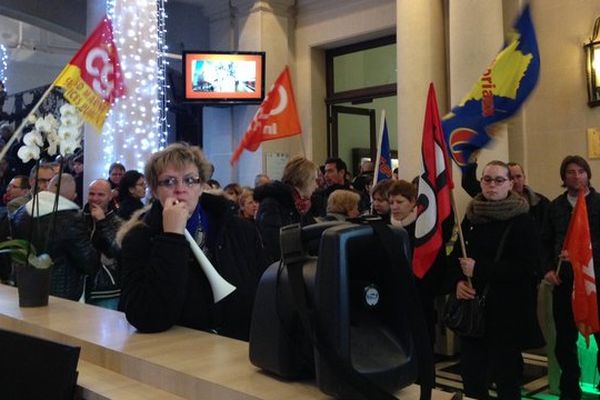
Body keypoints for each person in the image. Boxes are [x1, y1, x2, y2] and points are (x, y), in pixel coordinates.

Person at [118, 143, 269, 341]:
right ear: (155, 191)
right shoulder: (139, 238)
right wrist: (171, 238)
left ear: (201, 186)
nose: (181, 189)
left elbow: (263, 296)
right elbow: (145, 317)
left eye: (190, 180)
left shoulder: (238, 229)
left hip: (238, 349)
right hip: (178, 353)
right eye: (169, 182)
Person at [450, 160, 543, 399]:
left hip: (507, 315)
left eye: (499, 180)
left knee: (506, 378)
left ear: (510, 184)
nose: (492, 185)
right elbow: (457, 258)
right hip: (474, 312)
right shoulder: (472, 216)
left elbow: (527, 268)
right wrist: (458, 283)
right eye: (487, 180)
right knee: (472, 376)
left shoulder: (522, 220)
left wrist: (480, 269)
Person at [542, 155, 600, 400]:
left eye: (581, 171)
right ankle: (569, 389)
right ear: (563, 178)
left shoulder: (598, 203)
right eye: (570, 172)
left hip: (594, 284)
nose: (576, 176)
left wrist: (579, 255)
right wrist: (547, 269)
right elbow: (543, 243)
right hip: (564, 283)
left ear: (588, 174)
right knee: (564, 342)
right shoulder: (555, 207)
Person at [12, 174, 100, 301]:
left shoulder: (21, 212)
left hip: (25, 285)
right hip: (60, 291)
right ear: (73, 195)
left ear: (49, 188)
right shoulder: (70, 218)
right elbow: (88, 260)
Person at [254, 155, 318, 262]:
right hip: (281, 269)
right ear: (304, 180)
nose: (316, 185)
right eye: (314, 180)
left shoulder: (299, 205)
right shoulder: (272, 204)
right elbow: (274, 245)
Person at [83, 179, 123, 309]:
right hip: (81, 287)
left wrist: (102, 222)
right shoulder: (79, 218)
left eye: (100, 195)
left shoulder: (118, 222)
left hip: (107, 289)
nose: (95, 198)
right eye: (91, 194)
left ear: (110, 196)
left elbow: (116, 251)